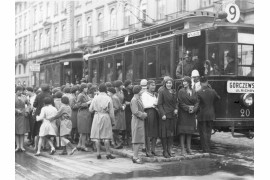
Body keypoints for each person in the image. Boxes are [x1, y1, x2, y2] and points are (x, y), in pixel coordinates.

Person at [89, 83, 116, 159]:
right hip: (105, 116)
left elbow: (90, 110)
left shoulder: (95, 98)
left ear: (99, 89)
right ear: (106, 89)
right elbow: (111, 112)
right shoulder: (108, 98)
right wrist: (113, 121)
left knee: (97, 136)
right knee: (106, 136)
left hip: (97, 116)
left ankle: (98, 153)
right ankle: (108, 153)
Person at [197, 76, 220, 152]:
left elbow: (196, 103)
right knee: (208, 132)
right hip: (211, 114)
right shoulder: (212, 91)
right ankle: (208, 148)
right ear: (207, 82)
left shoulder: (198, 92)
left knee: (202, 132)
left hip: (202, 115)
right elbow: (218, 98)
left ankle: (204, 148)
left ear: (200, 83)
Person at [177, 76, 199, 155]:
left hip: (191, 114)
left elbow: (197, 101)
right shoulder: (181, 91)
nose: (184, 83)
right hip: (183, 113)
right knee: (182, 131)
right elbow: (180, 102)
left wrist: (194, 109)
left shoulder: (194, 91)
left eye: (185, 81)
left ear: (189, 82)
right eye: (183, 82)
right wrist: (188, 108)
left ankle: (189, 149)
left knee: (189, 131)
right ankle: (183, 149)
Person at [157, 76, 178, 158]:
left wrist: (176, 108)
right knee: (164, 134)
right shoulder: (162, 91)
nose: (169, 84)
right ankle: (164, 151)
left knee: (171, 134)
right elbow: (159, 104)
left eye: (170, 83)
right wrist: (163, 114)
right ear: (165, 83)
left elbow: (176, 102)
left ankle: (169, 149)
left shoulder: (173, 91)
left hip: (172, 115)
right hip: (165, 115)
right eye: (168, 83)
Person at [33, 84, 54, 152]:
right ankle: (45, 146)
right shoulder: (50, 96)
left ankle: (36, 147)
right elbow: (53, 105)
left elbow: (34, 105)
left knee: (38, 132)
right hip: (48, 116)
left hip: (39, 114)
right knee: (47, 131)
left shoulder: (38, 95)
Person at [141, 80, 159, 157]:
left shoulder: (154, 94)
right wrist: (154, 104)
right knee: (148, 132)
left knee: (155, 131)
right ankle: (148, 151)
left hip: (155, 112)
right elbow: (145, 105)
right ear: (148, 86)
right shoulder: (144, 94)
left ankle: (153, 150)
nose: (153, 87)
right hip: (149, 112)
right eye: (152, 85)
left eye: (154, 85)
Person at [130, 85, 147, 164]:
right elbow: (135, 111)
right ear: (138, 91)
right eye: (141, 90)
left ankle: (135, 156)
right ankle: (135, 157)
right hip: (137, 120)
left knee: (138, 139)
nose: (143, 91)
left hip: (139, 121)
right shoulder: (134, 100)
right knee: (136, 140)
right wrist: (144, 115)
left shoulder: (137, 99)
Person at [76, 83, 92, 151]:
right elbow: (78, 104)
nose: (87, 89)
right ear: (83, 88)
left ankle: (79, 144)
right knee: (84, 131)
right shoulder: (80, 95)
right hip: (83, 114)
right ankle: (83, 145)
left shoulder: (85, 95)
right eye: (86, 88)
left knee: (83, 131)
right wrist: (88, 103)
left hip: (86, 113)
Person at [15, 85, 30, 152]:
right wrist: (16, 110)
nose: (21, 92)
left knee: (22, 131)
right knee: (16, 131)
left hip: (23, 115)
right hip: (16, 115)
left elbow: (29, 105)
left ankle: (22, 146)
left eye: (21, 91)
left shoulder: (24, 97)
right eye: (19, 91)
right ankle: (17, 146)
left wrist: (27, 111)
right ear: (17, 90)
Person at [114, 80, 126, 146]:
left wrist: (124, 105)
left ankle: (118, 141)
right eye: (121, 85)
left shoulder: (122, 91)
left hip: (121, 110)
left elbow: (123, 100)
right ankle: (117, 142)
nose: (122, 86)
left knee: (119, 127)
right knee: (115, 127)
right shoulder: (115, 93)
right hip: (116, 110)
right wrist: (122, 106)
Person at [123, 80, 133, 145]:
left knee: (130, 124)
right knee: (125, 124)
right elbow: (124, 102)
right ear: (126, 86)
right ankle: (124, 138)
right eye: (130, 84)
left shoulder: (132, 92)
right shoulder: (123, 92)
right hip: (125, 110)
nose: (131, 85)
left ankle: (129, 138)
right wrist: (131, 103)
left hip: (131, 110)